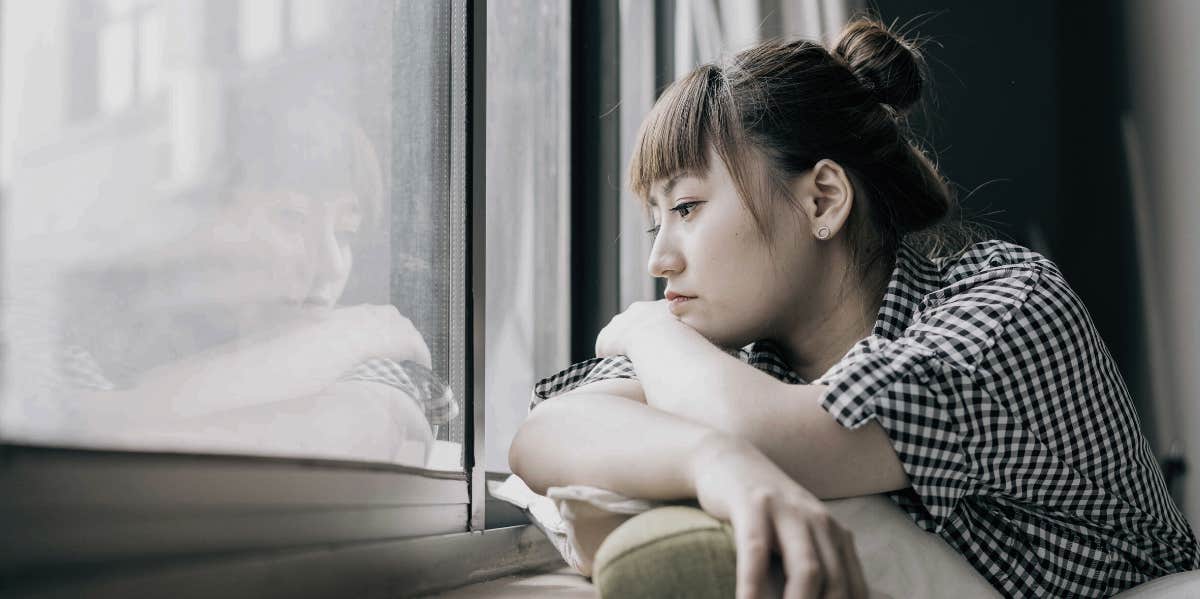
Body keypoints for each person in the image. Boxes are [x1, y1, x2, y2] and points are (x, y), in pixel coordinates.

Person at [508, 15, 1200, 599]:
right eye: (657, 222)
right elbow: (543, 435)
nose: (660, 261)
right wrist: (714, 462)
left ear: (823, 200)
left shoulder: (1008, 307)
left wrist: (645, 325)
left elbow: (771, 430)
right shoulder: (737, 356)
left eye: (687, 206)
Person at [7, 98, 453, 467]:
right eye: (290, 218)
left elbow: (374, 423)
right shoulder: (51, 322)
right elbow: (76, 442)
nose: (330, 264)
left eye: (345, 233)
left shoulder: (359, 363)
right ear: (205, 218)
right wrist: (359, 331)